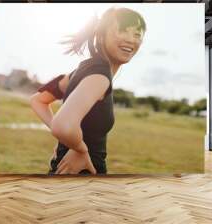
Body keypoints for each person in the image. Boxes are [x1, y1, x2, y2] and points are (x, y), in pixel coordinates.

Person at [30, 7, 146, 175]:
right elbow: (62, 125)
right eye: (122, 31)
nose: (131, 39)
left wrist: (68, 141)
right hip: (84, 172)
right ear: (102, 35)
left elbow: (37, 100)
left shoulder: (80, 70)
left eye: (137, 34)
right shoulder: (100, 76)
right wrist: (80, 150)